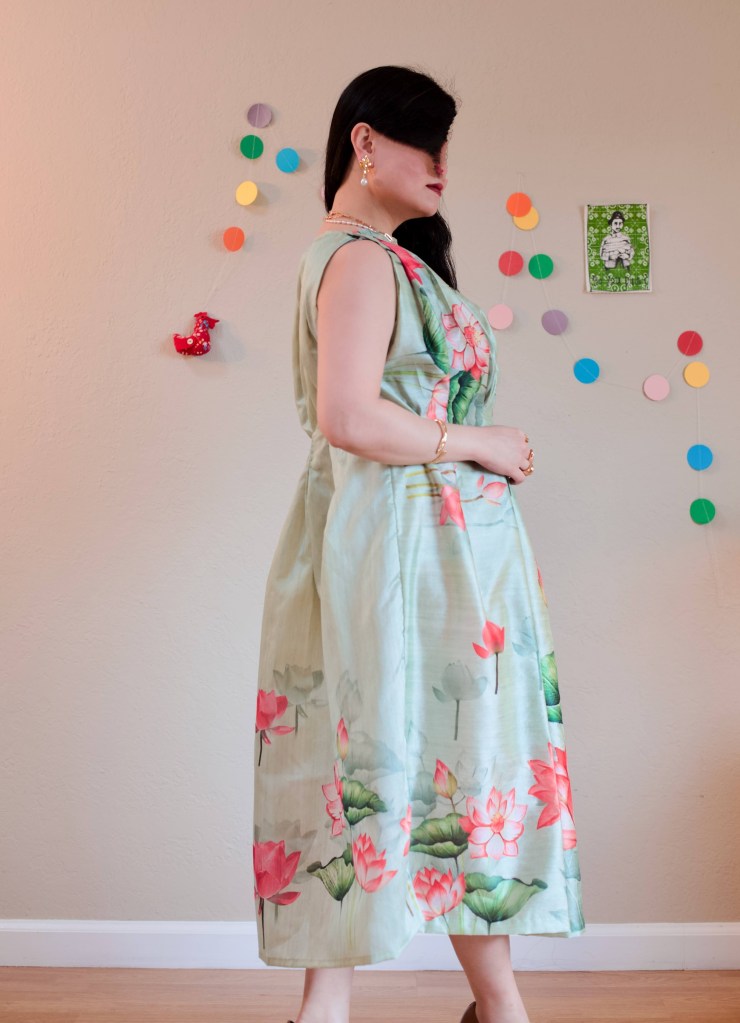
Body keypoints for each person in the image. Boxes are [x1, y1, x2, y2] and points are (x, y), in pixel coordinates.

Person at [252, 65, 585, 1023]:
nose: (442, 163)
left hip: (424, 547)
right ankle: (481, 1006)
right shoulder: (359, 258)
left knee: (406, 760)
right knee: (428, 760)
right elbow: (350, 415)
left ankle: (420, 1004)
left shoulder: (382, 258)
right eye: (423, 140)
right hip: (409, 550)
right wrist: (480, 441)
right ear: (364, 141)